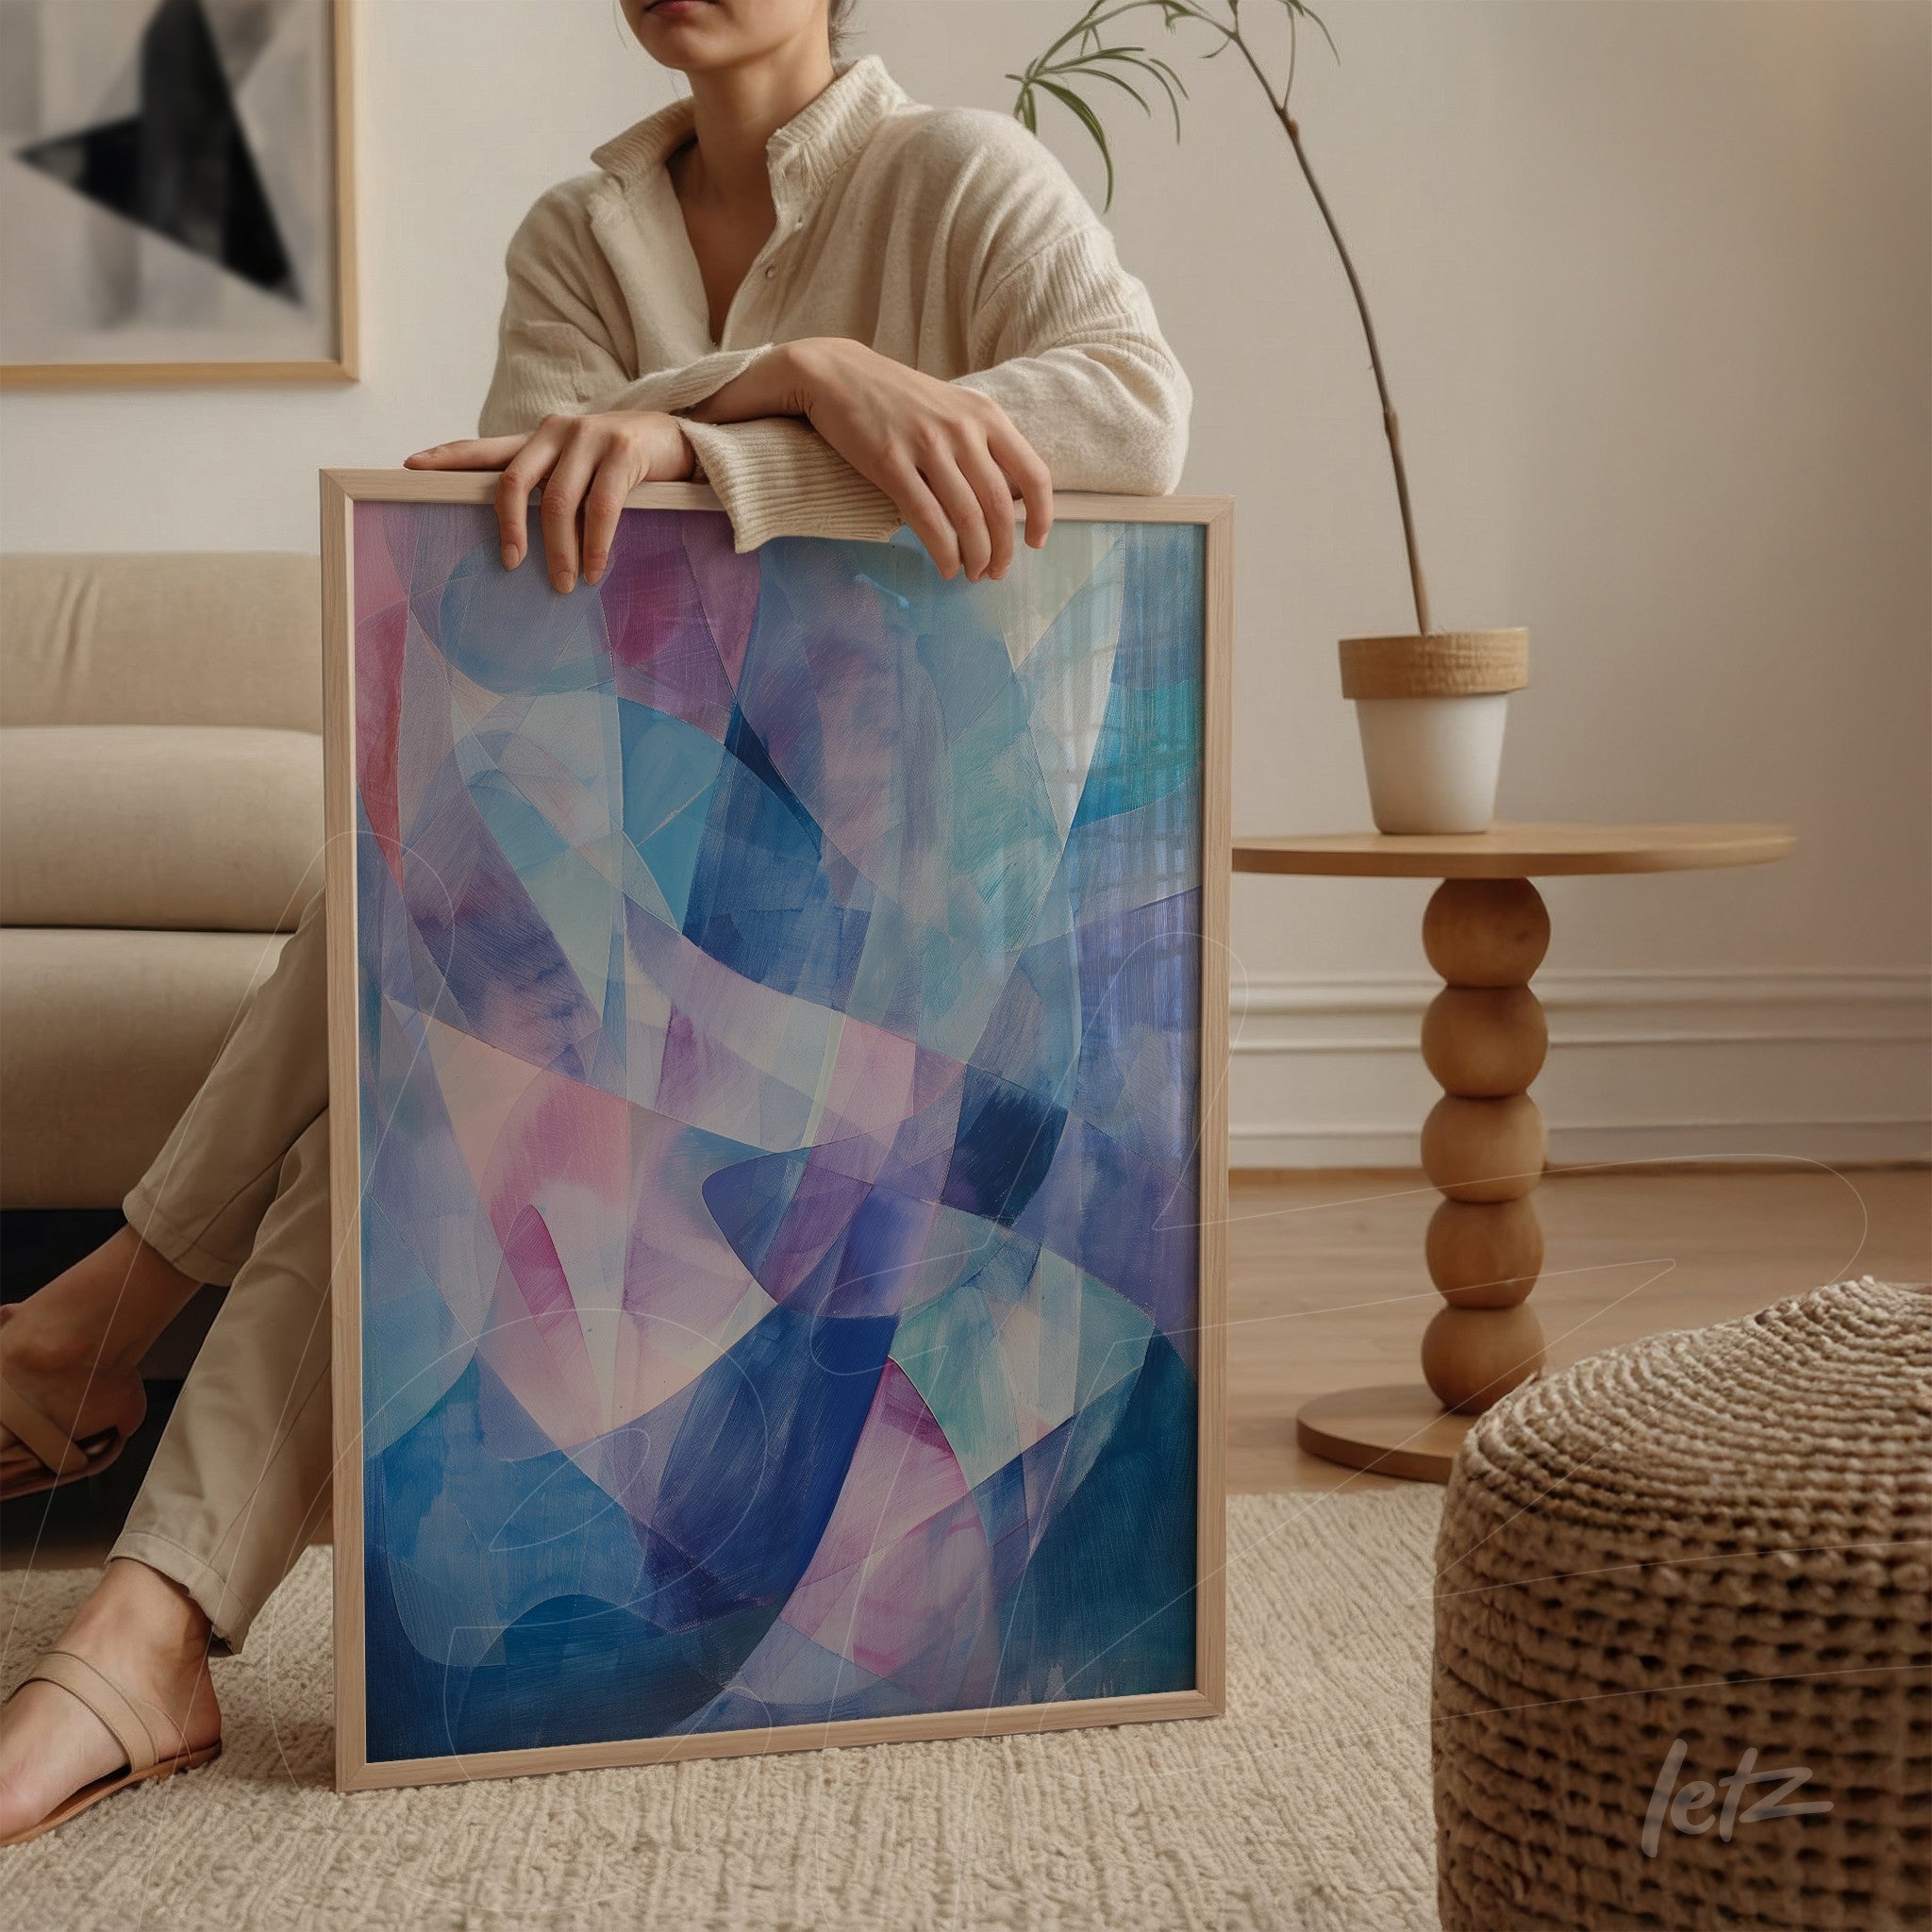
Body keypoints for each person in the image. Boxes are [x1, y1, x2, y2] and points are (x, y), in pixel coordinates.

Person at [0, 0, 1190, 1841]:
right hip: (647, 864)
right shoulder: (579, 232)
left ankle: (114, 1333)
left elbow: (1129, 411)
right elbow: (513, 546)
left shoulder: (957, 174)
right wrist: (800, 374)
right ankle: (150, 1617)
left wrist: (740, 420)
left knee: (433, 923)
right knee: (435, 957)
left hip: (916, 893)